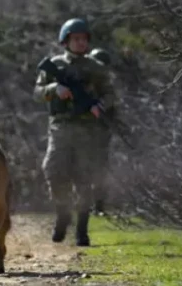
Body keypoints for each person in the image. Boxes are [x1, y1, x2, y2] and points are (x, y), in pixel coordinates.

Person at [32, 18, 116, 247]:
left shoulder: (96, 67)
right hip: (60, 127)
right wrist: (54, 89)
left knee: (84, 179)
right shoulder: (55, 64)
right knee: (53, 170)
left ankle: (82, 229)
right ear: (66, 41)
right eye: (75, 39)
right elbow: (37, 92)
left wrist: (100, 106)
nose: (80, 43)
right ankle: (62, 212)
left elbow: (110, 93)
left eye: (83, 39)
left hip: (88, 129)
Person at [87, 48, 113, 215]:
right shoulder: (84, 83)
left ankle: (98, 206)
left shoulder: (106, 87)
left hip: (100, 133)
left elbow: (110, 105)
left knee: (99, 171)